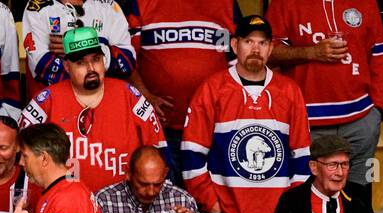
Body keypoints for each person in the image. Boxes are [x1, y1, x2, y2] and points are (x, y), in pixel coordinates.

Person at [183, 14, 311, 213]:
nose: (255, 49)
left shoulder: (289, 92)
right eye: (249, 42)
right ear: (235, 45)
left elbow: (302, 157)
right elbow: (191, 154)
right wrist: (211, 203)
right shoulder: (212, 89)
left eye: (262, 43)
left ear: (270, 48)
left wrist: (288, 209)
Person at [266, 0, 383, 211]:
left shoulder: (366, 2)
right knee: (308, 199)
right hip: (308, 122)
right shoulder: (283, 2)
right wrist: (311, 52)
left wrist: (377, 110)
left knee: (359, 198)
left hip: (361, 119)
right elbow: (269, 51)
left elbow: (378, 54)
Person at [19, 26, 166, 197]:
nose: (90, 68)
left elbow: (159, 152)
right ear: (67, 66)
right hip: (67, 209)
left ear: (104, 60)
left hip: (122, 210)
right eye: (80, 62)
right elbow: (23, 158)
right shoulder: (46, 101)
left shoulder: (130, 96)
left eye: (96, 59)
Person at [124, 0, 235, 163]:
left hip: (212, 127)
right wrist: (145, 96)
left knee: (207, 187)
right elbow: (126, 58)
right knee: (161, 187)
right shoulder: (141, 3)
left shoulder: (225, 3)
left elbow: (234, 58)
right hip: (162, 128)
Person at [21, 0, 135, 95]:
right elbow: (42, 66)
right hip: (54, 107)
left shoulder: (108, 6)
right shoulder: (36, 8)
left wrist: (82, 48)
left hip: (105, 106)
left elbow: (127, 62)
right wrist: (96, 61)